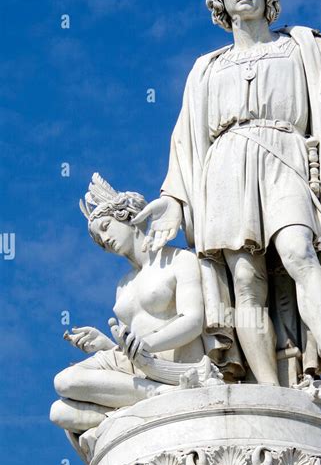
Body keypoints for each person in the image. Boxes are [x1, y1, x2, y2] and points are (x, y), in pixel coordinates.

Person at [138, 0, 321, 385]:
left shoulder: (301, 45)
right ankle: (267, 388)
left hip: (286, 155)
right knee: (245, 280)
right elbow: (186, 141)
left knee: (300, 250)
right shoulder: (205, 68)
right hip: (225, 167)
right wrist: (173, 199)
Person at [50, 173, 206, 438]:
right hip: (134, 363)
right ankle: (164, 397)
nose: (104, 240)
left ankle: (159, 395)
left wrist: (147, 345)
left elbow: (193, 321)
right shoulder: (123, 285)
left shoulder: (180, 260)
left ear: (126, 216)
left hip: (169, 360)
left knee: (64, 382)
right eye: (98, 239)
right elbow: (129, 343)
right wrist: (106, 344)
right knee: (60, 412)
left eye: (105, 227)